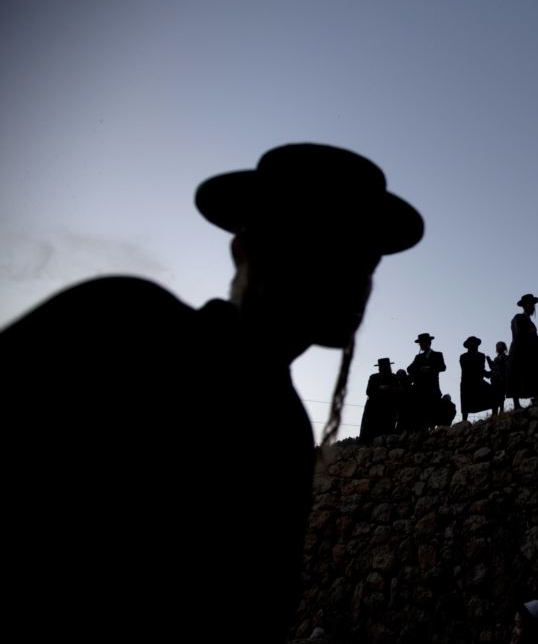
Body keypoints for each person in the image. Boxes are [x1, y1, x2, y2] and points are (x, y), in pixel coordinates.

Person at [0, 143, 424, 641]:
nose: (355, 277)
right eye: (318, 241)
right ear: (245, 247)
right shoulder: (121, 324)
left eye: (364, 257)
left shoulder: (284, 426)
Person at [507, 294, 538, 409]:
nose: (532, 307)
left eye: (532, 304)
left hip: (529, 351)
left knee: (533, 374)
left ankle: (537, 397)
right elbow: (519, 335)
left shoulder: (530, 321)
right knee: (517, 376)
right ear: (524, 306)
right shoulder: (518, 318)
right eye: (529, 304)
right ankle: (516, 404)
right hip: (519, 351)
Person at [408, 332, 446, 430]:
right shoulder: (418, 357)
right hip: (420, 390)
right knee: (422, 412)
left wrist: (430, 368)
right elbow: (409, 369)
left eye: (422, 343)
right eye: (420, 343)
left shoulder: (438, 355)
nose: (420, 345)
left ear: (428, 343)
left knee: (433, 411)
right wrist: (420, 369)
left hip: (433, 388)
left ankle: (432, 430)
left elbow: (443, 367)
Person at [360, 358, 401, 441]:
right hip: (374, 408)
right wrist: (379, 389)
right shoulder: (373, 377)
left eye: (385, 367)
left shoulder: (394, 377)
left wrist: (389, 389)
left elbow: (397, 390)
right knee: (370, 429)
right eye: (381, 368)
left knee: (387, 429)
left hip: (389, 407)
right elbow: (368, 391)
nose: (382, 369)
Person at [459, 336, 491, 421]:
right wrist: (484, 373)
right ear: (469, 347)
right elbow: (467, 369)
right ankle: (464, 421)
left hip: (479, 382)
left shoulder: (481, 356)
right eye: (473, 345)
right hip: (467, 383)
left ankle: (494, 415)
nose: (475, 347)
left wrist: (489, 374)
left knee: (494, 392)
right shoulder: (463, 357)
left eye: (476, 345)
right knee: (465, 403)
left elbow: (481, 368)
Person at [487, 340, 510, 416]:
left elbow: (506, 367)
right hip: (494, 379)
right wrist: (488, 359)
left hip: (501, 379)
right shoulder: (496, 358)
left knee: (501, 395)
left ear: (503, 347)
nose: (498, 347)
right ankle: (494, 413)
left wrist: (504, 376)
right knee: (494, 396)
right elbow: (492, 367)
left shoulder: (505, 357)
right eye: (497, 346)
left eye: (499, 345)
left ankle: (501, 410)